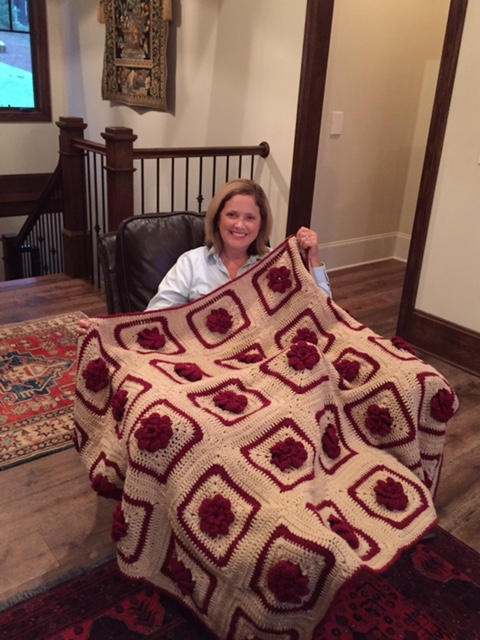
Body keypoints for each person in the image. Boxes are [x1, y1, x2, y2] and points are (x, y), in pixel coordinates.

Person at [77, 179, 330, 334]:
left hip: (260, 359)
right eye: (232, 215)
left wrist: (314, 260)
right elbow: (157, 315)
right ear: (217, 218)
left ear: (261, 224)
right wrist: (109, 329)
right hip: (202, 357)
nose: (240, 225)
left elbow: (321, 310)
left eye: (250, 217)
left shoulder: (273, 265)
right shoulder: (192, 263)